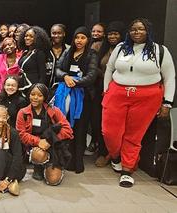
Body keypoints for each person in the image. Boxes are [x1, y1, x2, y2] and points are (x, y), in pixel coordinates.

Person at [102, 18, 175, 187]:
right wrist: (106, 90)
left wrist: (167, 103)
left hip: (147, 97)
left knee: (134, 135)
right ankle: (115, 156)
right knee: (109, 132)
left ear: (148, 31)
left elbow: (170, 77)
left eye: (141, 29)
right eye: (133, 29)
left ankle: (127, 170)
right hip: (117, 92)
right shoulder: (121, 48)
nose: (137, 32)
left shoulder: (160, 51)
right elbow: (109, 69)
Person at [55, 26, 98, 174]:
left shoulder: (92, 54)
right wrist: (66, 77)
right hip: (65, 96)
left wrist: (75, 82)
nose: (79, 41)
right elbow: (58, 69)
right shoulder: (68, 51)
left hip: (83, 97)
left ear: (88, 40)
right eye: (77, 37)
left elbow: (92, 76)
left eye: (83, 38)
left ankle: (78, 162)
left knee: (80, 129)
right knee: (66, 127)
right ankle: (66, 160)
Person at [16, 83, 73, 185]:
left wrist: (50, 140)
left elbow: (68, 130)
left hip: (53, 146)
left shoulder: (54, 111)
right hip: (35, 148)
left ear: (45, 97)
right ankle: (38, 167)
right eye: (32, 94)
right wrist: (38, 141)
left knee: (53, 181)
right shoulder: (23, 112)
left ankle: (50, 165)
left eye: (39, 95)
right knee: (38, 155)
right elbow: (21, 134)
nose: (35, 98)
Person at [90, 21, 125, 165]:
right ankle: (103, 151)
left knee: (116, 125)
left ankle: (116, 154)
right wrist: (102, 75)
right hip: (100, 90)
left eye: (115, 33)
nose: (112, 36)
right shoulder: (101, 48)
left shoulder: (127, 49)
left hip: (120, 91)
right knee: (99, 122)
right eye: (110, 34)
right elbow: (93, 66)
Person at [17, 26, 51, 92]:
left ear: (37, 38)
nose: (27, 38)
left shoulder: (39, 53)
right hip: (23, 85)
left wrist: (39, 90)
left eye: (31, 36)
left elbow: (42, 75)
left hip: (33, 87)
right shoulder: (25, 52)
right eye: (26, 36)